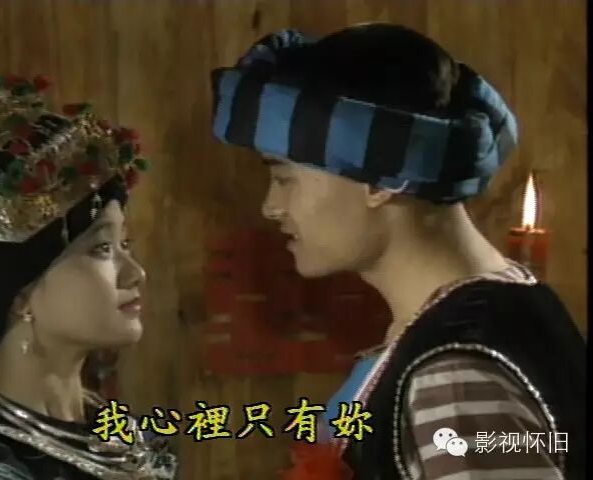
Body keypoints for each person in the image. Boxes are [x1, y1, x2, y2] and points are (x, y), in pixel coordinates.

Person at [210, 24, 585, 479]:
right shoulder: (488, 311)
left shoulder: (453, 376)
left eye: (285, 178)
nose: (271, 206)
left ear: (379, 179)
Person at [0, 64, 176, 480]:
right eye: (102, 249)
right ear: (17, 293)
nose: (135, 273)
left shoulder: (128, 441)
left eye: (125, 245)